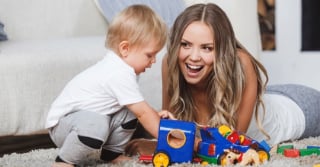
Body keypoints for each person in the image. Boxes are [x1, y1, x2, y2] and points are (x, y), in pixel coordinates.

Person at [125, 3, 320, 156]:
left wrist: (159, 147)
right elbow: (173, 130)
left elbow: (232, 145)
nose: (193, 57)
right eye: (185, 44)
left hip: (299, 107)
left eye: (207, 48)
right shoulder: (171, 62)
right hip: (264, 98)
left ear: (223, 51)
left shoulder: (241, 64)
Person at [45, 4, 174, 167]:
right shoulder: (117, 73)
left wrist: (154, 114)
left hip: (85, 120)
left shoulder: (126, 69)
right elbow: (143, 113)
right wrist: (168, 140)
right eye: (149, 55)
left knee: (129, 113)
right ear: (125, 48)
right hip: (63, 126)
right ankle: (64, 161)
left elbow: (138, 109)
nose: (153, 61)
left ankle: (111, 154)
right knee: (97, 124)